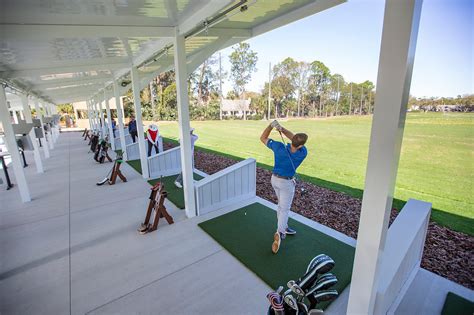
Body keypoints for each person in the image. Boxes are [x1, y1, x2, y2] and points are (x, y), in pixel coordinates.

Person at [260, 120, 308, 254]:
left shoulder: (279, 147)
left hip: (274, 180)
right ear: (301, 145)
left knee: (281, 205)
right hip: (286, 183)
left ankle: (284, 226)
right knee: (285, 208)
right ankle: (280, 232)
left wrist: (271, 127)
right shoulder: (302, 152)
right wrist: (283, 129)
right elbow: (295, 139)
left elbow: (263, 138)